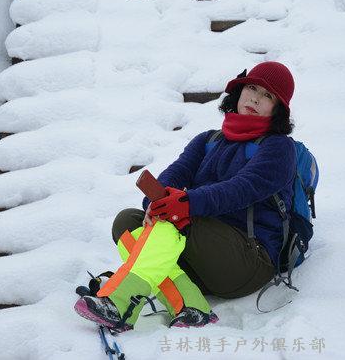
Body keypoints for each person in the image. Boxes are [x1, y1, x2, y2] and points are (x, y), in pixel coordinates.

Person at [74, 61, 297, 331]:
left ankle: (121, 302)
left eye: (268, 96)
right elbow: (175, 174)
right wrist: (157, 203)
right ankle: (189, 304)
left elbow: (242, 188)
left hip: (248, 260)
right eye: (252, 88)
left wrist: (186, 204)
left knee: (179, 220)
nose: (255, 98)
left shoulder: (279, 148)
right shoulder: (209, 140)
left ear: (277, 109)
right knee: (127, 222)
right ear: (240, 91)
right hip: (198, 255)